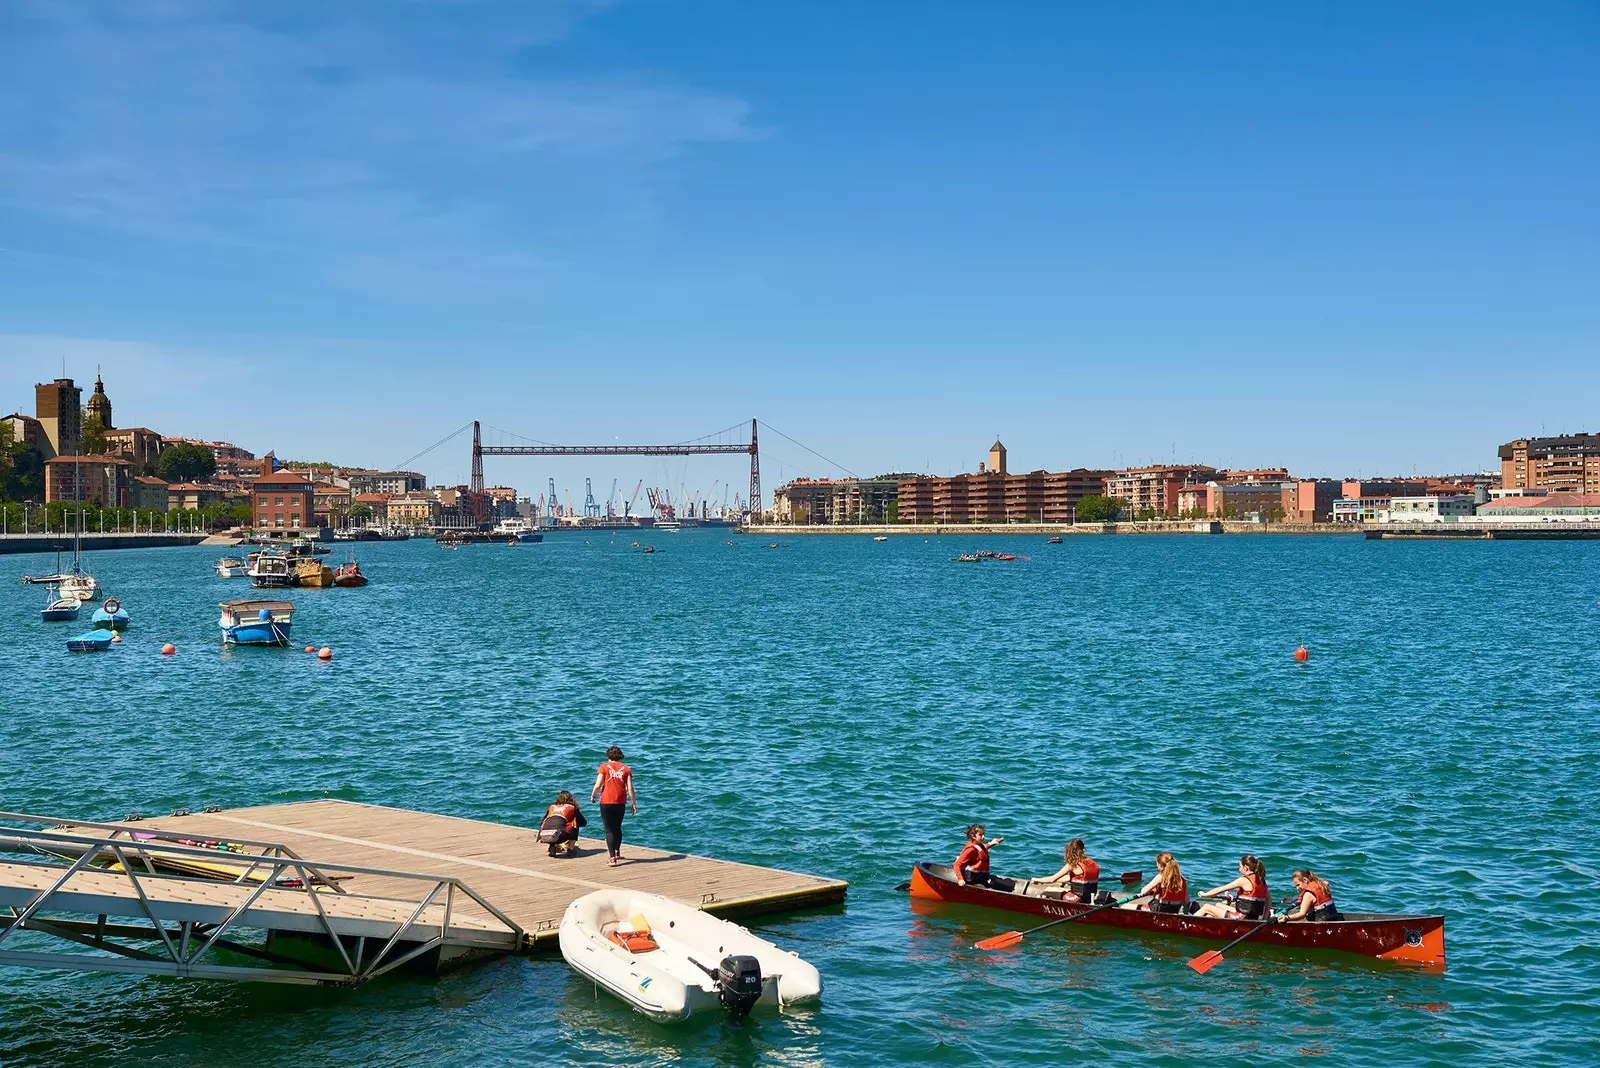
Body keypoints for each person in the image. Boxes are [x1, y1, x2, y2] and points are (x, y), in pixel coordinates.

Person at [589, 746, 637, 867]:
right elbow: (630, 788)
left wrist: (593, 796)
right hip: (620, 802)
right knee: (617, 827)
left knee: (609, 830)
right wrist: (633, 803)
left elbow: (598, 784)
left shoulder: (603, 767)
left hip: (606, 802)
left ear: (608, 755)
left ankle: (612, 858)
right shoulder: (626, 769)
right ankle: (617, 851)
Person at [1194, 855, 1269, 919]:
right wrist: (1264, 918)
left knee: (1207, 907)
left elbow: (1221, 889)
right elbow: (1269, 901)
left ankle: (1187, 923)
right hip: (1252, 916)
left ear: (1246, 868)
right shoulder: (1261, 881)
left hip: (1240, 917)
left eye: (1240, 867)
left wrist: (1205, 895)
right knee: (1217, 905)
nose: (1239, 869)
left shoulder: (1244, 880)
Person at [953, 824, 1014, 892]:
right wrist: (960, 879)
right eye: (980, 835)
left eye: (984, 834)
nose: (983, 837)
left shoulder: (978, 845)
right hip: (973, 880)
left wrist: (991, 843)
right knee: (1000, 886)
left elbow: (982, 849)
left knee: (1001, 882)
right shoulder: (970, 850)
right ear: (973, 836)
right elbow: (956, 864)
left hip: (980, 877)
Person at [1037, 838, 1101, 902]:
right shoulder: (1093, 863)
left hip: (1077, 899)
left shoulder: (1072, 865)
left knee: (1046, 892)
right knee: (1060, 890)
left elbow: (1052, 879)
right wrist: (1058, 881)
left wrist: (1038, 880)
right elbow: (1069, 878)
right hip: (1089, 898)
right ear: (1083, 850)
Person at [540, 790, 587, 857]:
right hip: (560, 835)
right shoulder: (572, 807)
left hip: (544, 835)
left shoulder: (552, 807)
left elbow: (543, 821)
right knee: (575, 822)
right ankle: (570, 849)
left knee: (554, 826)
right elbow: (583, 822)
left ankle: (552, 845)